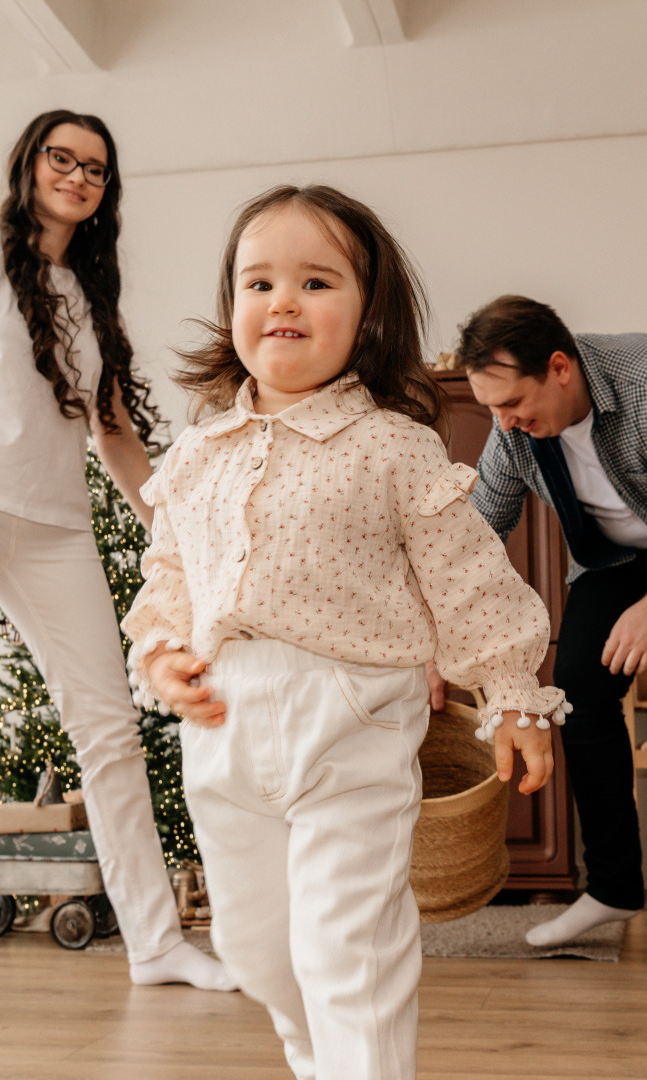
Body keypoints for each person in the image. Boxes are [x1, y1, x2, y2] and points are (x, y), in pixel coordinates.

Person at [121, 184, 569, 1080]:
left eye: (316, 282)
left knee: (347, 955)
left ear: (368, 318)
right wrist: (162, 656)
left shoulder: (391, 447)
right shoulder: (196, 454)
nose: (282, 300)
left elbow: (469, 578)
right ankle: (320, 1063)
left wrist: (513, 695)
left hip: (353, 726)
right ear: (232, 308)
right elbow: (168, 578)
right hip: (223, 728)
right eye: (258, 283)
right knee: (257, 952)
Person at [0, 109, 235, 991]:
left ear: (106, 192)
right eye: (61, 158)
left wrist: (170, 536)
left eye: (95, 168)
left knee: (110, 731)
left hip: (55, 525)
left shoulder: (89, 295)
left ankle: (156, 945)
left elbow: (115, 435)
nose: (77, 175)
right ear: (30, 163)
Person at [454, 294, 646, 948]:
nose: (503, 424)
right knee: (579, 688)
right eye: (490, 409)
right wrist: (430, 643)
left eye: (511, 405)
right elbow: (475, 538)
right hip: (615, 562)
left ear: (560, 368)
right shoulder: (512, 435)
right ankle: (615, 888)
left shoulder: (641, 381)